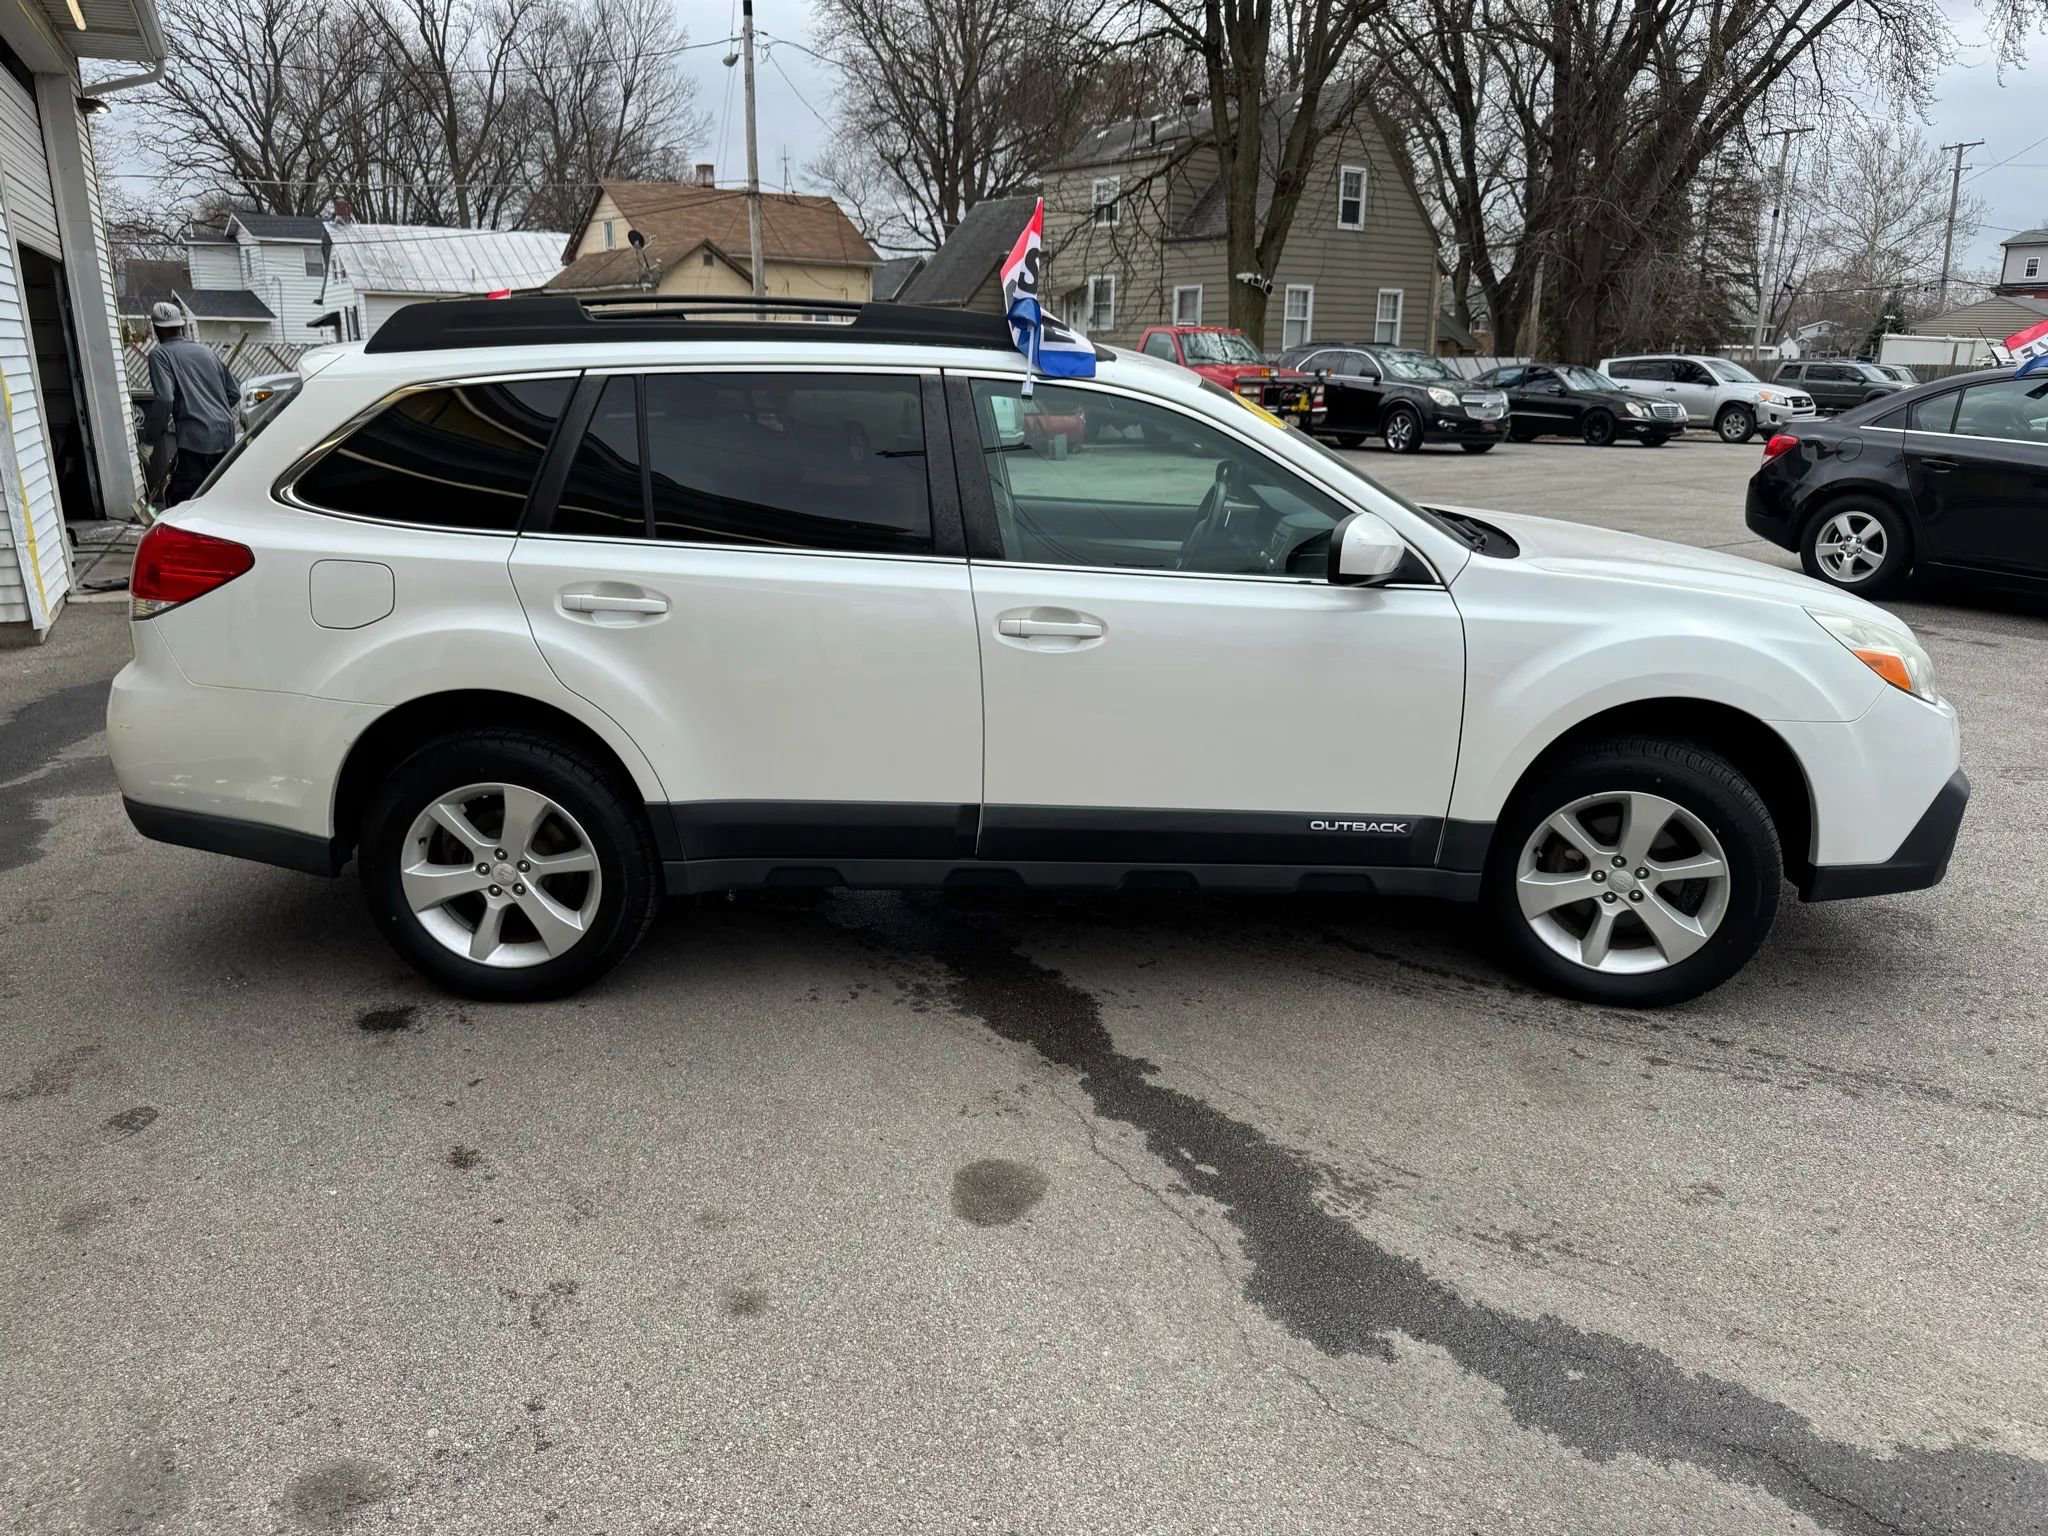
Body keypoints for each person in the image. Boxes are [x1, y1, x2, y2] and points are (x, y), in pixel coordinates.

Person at [142, 301, 240, 506]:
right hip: (225, 434)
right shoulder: (207, 351)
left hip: (195, 439)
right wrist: (211, 411)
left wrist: (150, 441)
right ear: (180, 325)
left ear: (156, 328)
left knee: (186, 501)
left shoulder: (160, 355)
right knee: (219, 495)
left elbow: (165, 398)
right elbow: (234, 393)